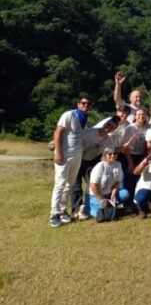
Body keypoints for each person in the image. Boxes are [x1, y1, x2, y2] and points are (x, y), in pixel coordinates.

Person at [50, 96, 92, 227]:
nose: (86, 105)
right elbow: (57, 133)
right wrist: (58, 152)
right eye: (84, 103)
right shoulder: (68, 115)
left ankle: (62, 211)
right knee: (60, 184)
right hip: (64, 154)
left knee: (69, 184)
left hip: (77, 155)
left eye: (88, 104)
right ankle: (54, 214)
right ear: (78, 104)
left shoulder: (86, 118)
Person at [88, 146, 130, 222]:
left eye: (114, 153)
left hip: (109, 194)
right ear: (105, 155)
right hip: (97, 195)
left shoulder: (118, 164)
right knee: (98, 214)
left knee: (125, 193)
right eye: (109, 154)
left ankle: (112, 206)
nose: (113, 155)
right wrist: (101, 199)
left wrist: (113, 193)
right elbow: (93, 185)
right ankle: (87, 207)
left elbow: (118, 181)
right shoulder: (100, 166)